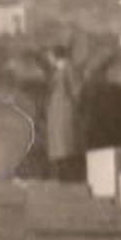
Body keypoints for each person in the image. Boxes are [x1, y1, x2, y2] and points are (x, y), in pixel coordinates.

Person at [44, 45, 85, 182]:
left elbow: (77, 91)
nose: (49, 59)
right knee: (61, 149)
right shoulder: (59, 71)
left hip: (65, 116)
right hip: (59, 116)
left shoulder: (68, 69)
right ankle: (61, 177)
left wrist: (73, 108)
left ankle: (68, 179)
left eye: (49, 55)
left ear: (55, 55)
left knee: (66, 148)